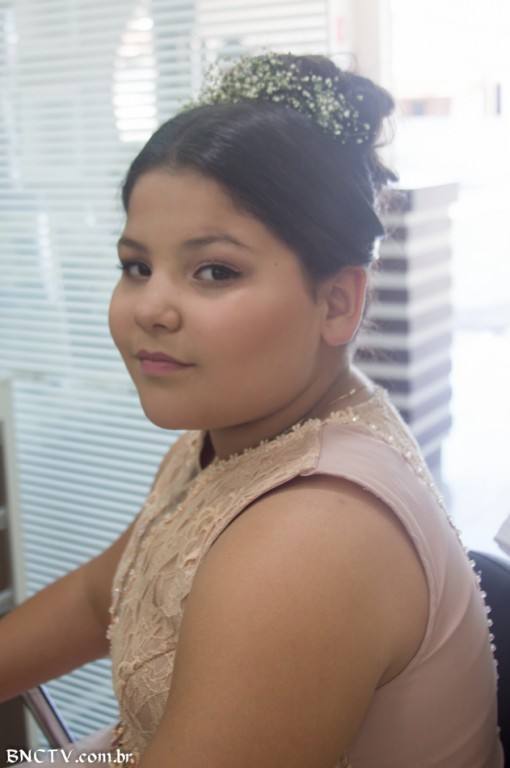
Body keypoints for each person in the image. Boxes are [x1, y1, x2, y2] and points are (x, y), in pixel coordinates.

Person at [0, 52, 503, 768]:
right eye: (137, 266)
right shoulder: (233, 436)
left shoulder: (311, 539)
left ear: (338, 302)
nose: (150, 307)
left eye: (215, 271)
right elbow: (97, 598)